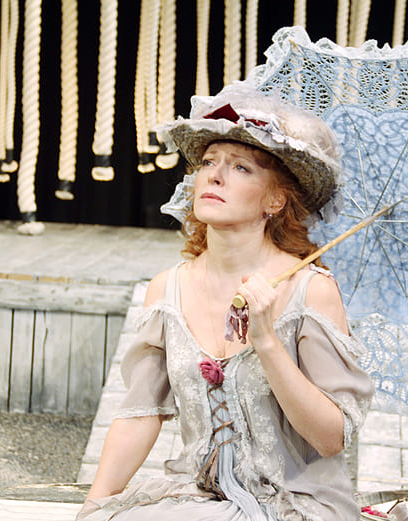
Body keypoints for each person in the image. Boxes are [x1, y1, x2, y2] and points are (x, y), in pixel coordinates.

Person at [77, 85, 375, 521]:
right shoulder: (167, 290)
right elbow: (140, 416)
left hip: (295, 504)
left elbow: (331, 439)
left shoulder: (310, 291)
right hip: (199, 497)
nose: (215, 176)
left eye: (240, 167)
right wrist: (93, 507)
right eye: (208, 162)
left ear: (275, 200)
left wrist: (267, 341)